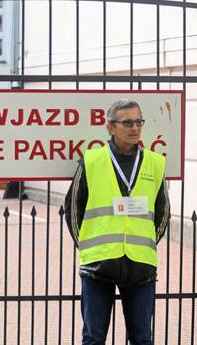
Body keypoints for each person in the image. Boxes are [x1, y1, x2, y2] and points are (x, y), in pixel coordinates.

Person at [64, 99, 170, 345]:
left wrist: (147, 242)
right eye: (127, 122)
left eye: (139, 122)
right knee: (93, 338)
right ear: (110, 127)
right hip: (98, 265)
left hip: (140, 265)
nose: (134, 127)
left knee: (142, 338)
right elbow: (72, 209)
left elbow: (163, 211)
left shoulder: (155, 162)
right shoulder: (91, 161)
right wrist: (87, 247)